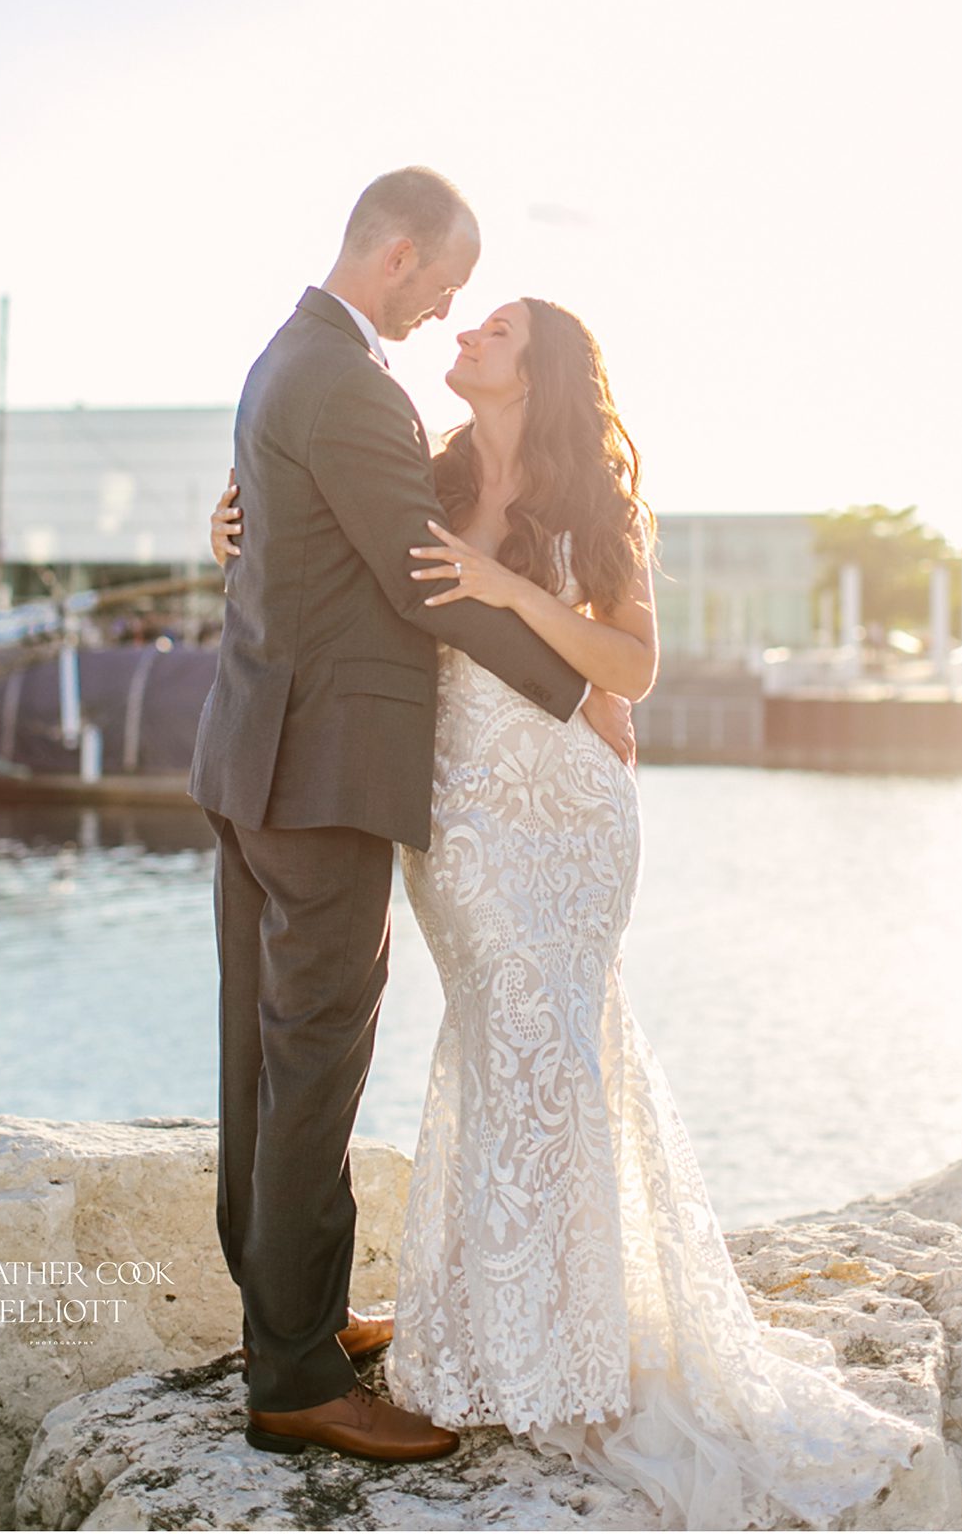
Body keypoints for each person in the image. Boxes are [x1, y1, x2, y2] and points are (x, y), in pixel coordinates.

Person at [212, 292, 930, 1529]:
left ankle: (562, 1343)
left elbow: (632, 666)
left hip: (571, 809)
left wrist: (515, 590)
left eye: (494, 329)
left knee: (557, 1046)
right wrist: (232, 520)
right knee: (504, 1043)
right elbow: (326, 539)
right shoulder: (424, 475)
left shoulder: (596, 506)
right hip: (457, 808)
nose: (466, 334)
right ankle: (496, 1322)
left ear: (540, 370)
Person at [188, 167, 634, 1466]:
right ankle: (294, 1375)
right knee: (312, 1063)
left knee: (264, 1056)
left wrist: (230, 527)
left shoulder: (289, 357)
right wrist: (576, 692)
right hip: (320, 773)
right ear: (397, 254)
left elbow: (291, 540)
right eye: (443, 285)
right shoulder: (349, 380)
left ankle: (294, 1317)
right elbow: (421, 582)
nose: (446, 310)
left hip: (256, 759)